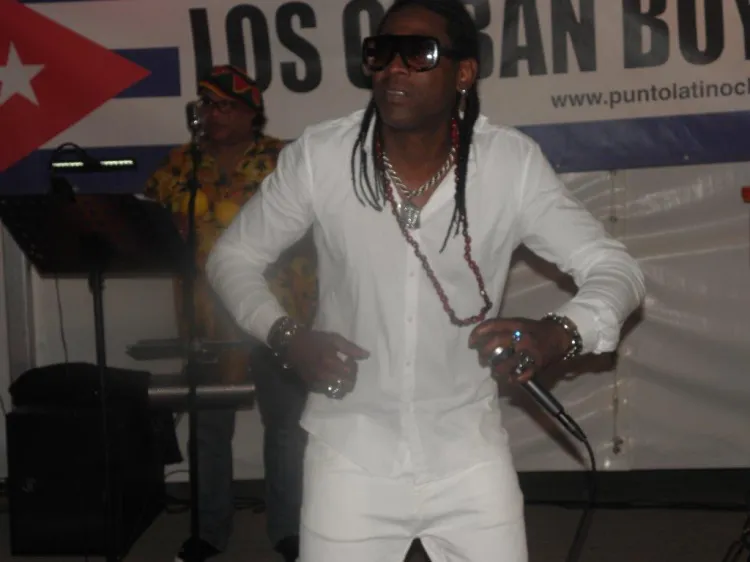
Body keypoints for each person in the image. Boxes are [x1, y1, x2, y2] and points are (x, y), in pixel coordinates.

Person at [205, 1, 647, 561]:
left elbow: (617, 270)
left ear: (464, 72)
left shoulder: (508, 164)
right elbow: (232, 257)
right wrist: (286, 336)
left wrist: (560, 333)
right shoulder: (323, 157)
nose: (394, 67)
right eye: (382, 52)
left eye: (419, 53)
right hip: (350, 456)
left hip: (469, 457)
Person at [144, 65, 316, 562]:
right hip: (207, 318)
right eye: (207, 104)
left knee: (285, 427)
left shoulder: (284, 160)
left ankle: (288, 532)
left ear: (251, 113)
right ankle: (209, 531)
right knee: (209, 429)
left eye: (225, 105)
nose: (214, 114)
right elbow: (153, 220)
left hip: (278, 314)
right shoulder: (180, 164)